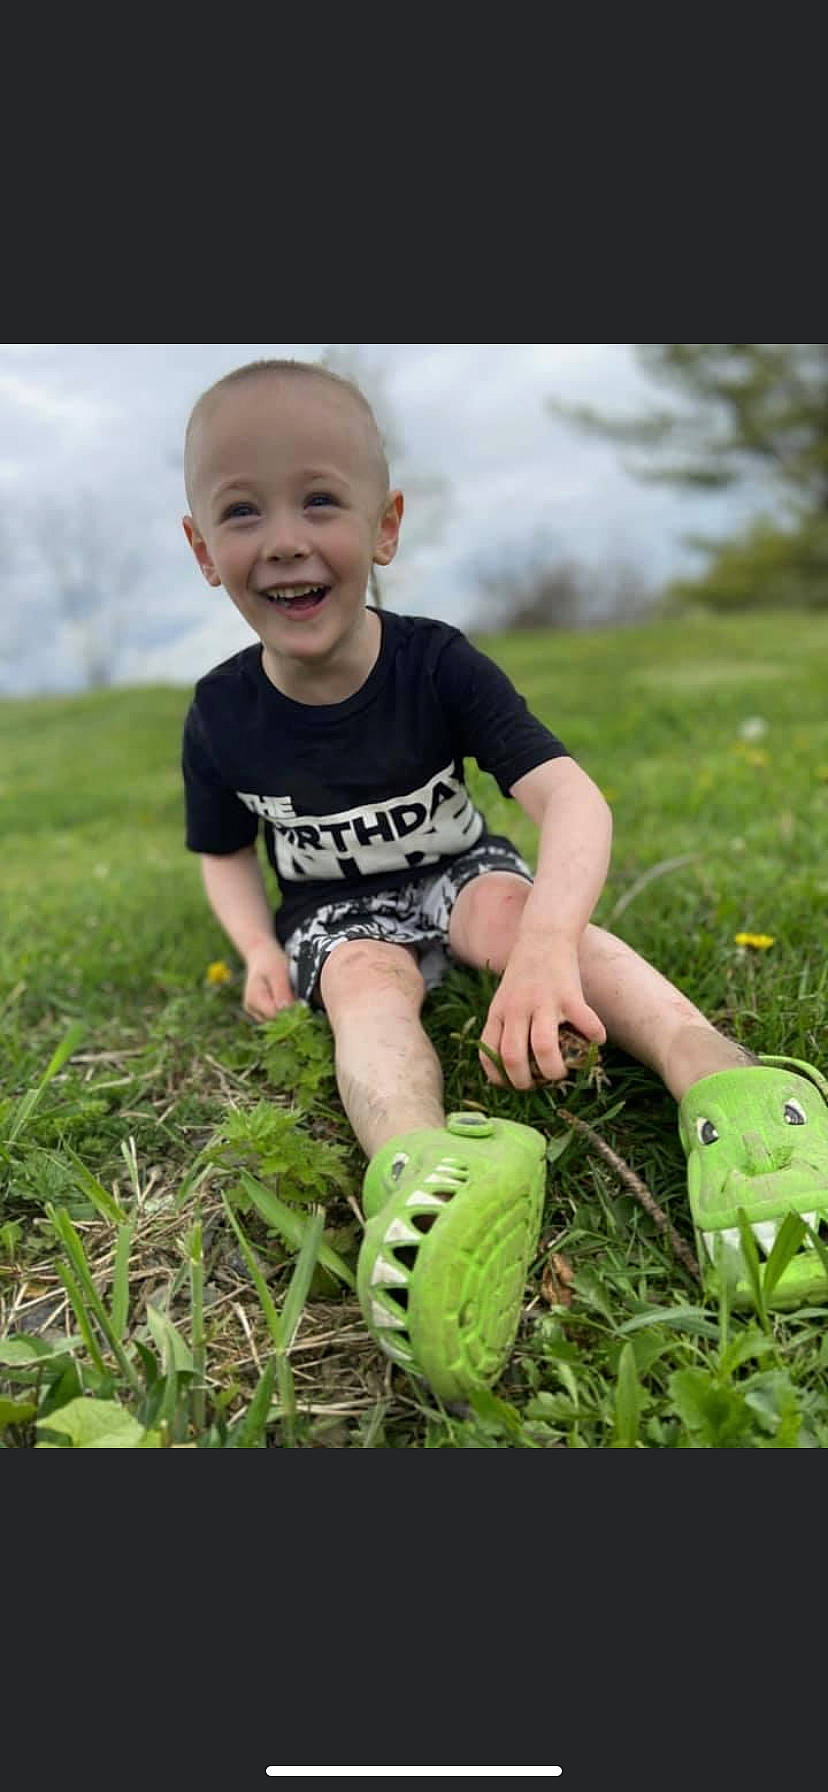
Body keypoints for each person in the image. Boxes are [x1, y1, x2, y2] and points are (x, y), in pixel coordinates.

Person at [180, 357, 827, 1403]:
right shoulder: (220, 715)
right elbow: (219, 851)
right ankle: (425, 1175)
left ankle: (724, 1081)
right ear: (203, 549)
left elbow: (575, 802)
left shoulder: (437, 664)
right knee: (363, 987)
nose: (287, 537)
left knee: (527, 910)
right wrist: (257, 946)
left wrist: (540, 950)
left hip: (457, 871)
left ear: (385, 527)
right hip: (338, 915)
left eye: (320, 499)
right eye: (243, 510)